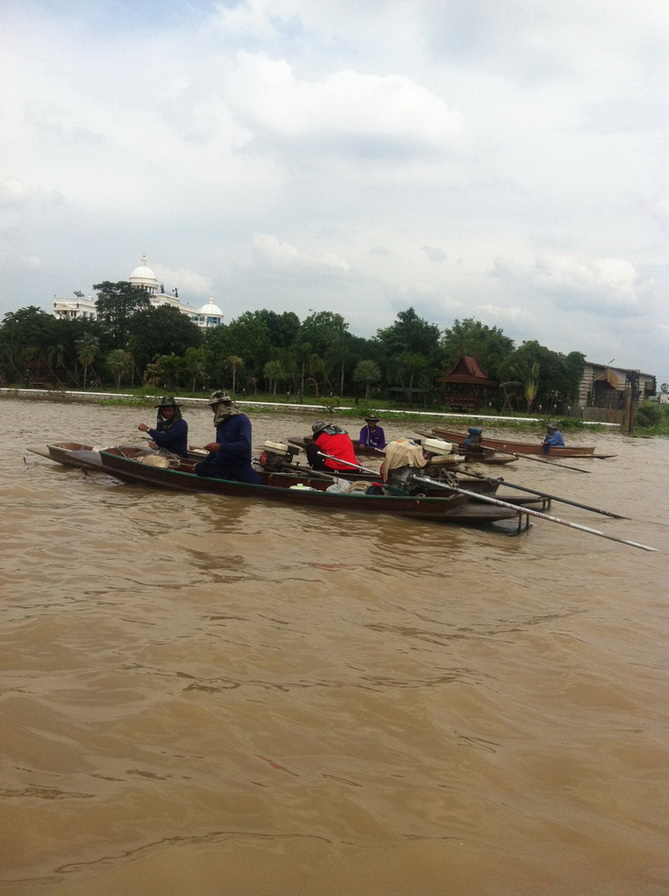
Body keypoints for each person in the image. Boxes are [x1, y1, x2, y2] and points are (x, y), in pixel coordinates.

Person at [195, 390, 261, 483]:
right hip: (222, 465)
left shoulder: (242, 420)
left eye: (214, 407)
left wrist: (220, 446)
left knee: (256, 482)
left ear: (219, 406)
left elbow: (245, 445)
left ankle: (229, 479)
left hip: (240, 466)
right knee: (200, 468)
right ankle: (228, 479)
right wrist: (204, 462)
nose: (214, 410)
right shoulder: (221, 422)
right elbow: (216, 451)